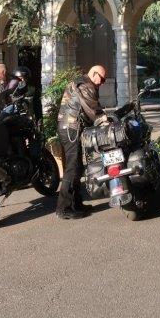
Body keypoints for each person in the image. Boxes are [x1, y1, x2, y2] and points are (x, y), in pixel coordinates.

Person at [56, 65, 108, 220]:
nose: (102, 83)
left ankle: (76, 204)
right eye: (102, 79)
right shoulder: (85, 85)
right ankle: (63, 208)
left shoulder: (82, 82)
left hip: (70, 127)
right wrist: (104, 120)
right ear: (94, 73)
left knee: (77, 167)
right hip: (71, 128)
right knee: (72, 168)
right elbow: (92, 109)